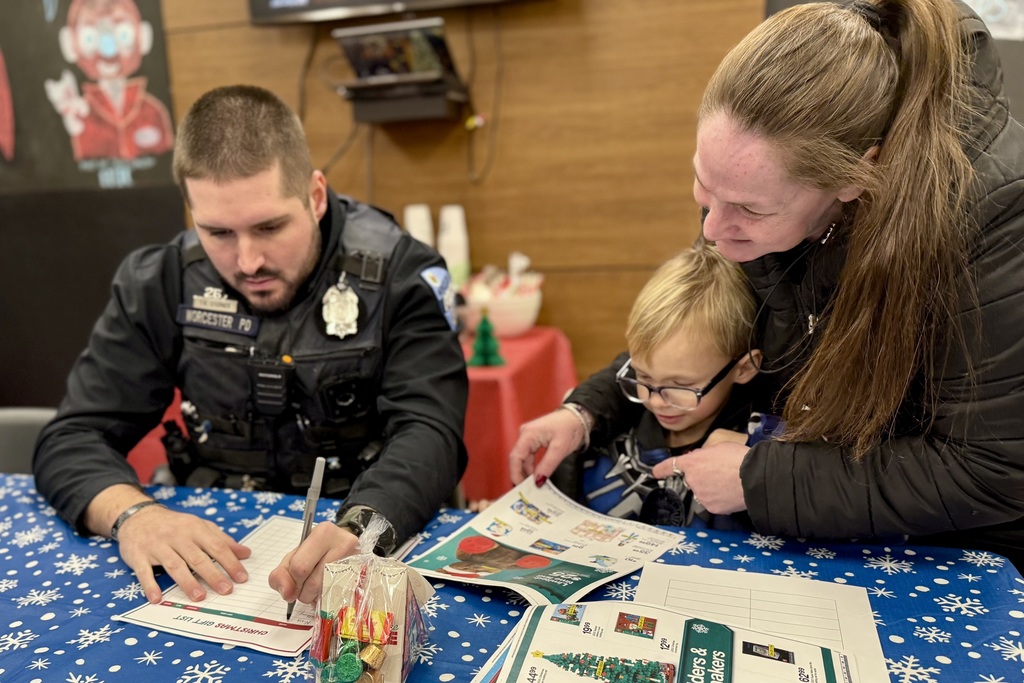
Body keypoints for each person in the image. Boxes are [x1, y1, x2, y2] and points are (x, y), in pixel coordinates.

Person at [511, 0, 1024, 566]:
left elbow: (992, 470)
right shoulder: (747, 185)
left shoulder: (994, 218)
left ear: (858, 177)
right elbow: (697, 337)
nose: (713, 231)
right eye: (703, 187)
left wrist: (764, 481)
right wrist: (586, 409)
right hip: (819, 511)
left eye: (750, 211)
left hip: (956, 551)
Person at [33, 85, 468, 608]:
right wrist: (134, 515)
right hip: (215, 553)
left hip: (362, 528)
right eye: (217, 232)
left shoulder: (401, 275)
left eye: (269, 226)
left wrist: (364, 523)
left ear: (315, 195)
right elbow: (75, 436)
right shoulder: (163, 280)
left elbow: (431, 430)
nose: (248, 261)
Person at [569, 245, 761, 528]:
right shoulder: (609, 436)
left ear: (743, 368)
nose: (656, 401)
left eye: (681, 385)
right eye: (643, 377)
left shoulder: (759, 452)